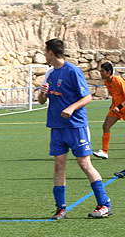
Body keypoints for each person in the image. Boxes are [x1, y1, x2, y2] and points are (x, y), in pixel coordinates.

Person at [37, 38, 112, 219]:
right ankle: (61, 208)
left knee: (84, 163)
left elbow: (87, 97)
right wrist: (42, 94)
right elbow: (41, 101)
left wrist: (71, 108)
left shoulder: (73, 71)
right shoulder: (50, 74)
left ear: (51, 52)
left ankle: (104, 204)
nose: (45, 55)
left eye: (45, 52)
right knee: (58, 165)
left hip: (76, 126)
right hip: (57, 127)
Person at [93, 61, 125, 159]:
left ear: (109, 72)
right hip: (116, 110)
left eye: (102, 71)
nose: (101, 73)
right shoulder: (107, 81)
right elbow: (115, 95)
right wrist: (113, 105)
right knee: (106, 126)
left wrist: (119, 107)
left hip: (122, 108)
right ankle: (104, 151)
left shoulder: (118, 80)